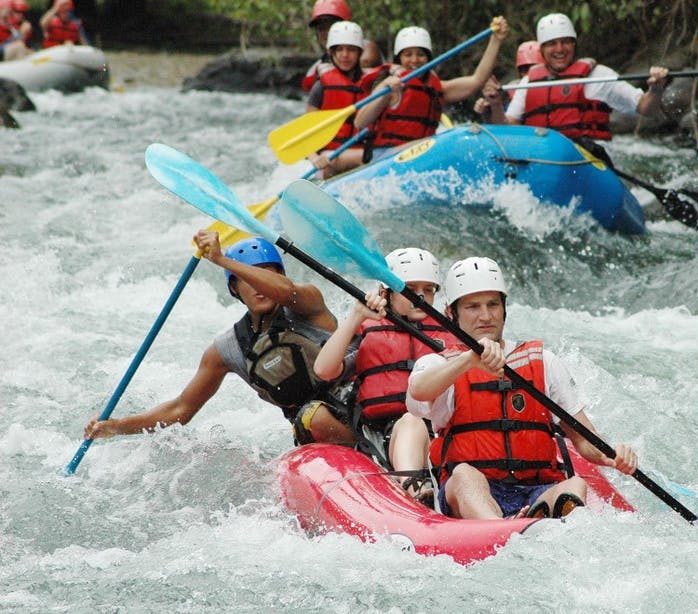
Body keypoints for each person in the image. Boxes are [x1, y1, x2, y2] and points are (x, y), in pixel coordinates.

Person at [406, 257, 638, 520]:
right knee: (464, 475)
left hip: (536, 489)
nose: (485, 315)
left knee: (575, 486)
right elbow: (419, 390)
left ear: (504, 308)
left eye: (493, 304)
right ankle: (500, 526)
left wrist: (612, 456)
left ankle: (537, 519)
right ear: (451, 313)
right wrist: (470, 360)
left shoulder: (543, 361)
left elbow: (583, 437)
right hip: (474, 491)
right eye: (472, 306)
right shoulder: (441, 363)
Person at [84, 231, 357, 448]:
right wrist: (116, 426)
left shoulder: (307, 305)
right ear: (233, 288)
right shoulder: (227, 349)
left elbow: (286, 291)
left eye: (265, 276)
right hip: (315, 424)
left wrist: (222, 260)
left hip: (361, 401)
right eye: (246, 279)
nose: (258, 286)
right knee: (313, 416)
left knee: (317, 415)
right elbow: (181, 409)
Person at [313, 248, 457, 502]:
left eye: (428, 289)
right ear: (384, 293)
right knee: (411, 422)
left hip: (443, 433)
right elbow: (323, 370)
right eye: (410, 289)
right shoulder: (368, 330)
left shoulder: (450, 333)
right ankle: (414, 488)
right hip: (387, 432)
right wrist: (356, 315)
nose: (420, 297)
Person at [486, 13, 668, 150]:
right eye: (552, 44)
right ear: (542, 50)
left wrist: (656, 90)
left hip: (586, 159)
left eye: (566, 42)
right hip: (542, 158)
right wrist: (495, 105)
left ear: (574, 44)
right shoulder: (530, 82)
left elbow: (646, 109)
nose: (560, 49)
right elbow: (508, 128)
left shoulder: (598, 76)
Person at [354, 16, 509, 160]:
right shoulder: (390, 85)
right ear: (399, 58)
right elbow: (360, 122)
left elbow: (477, 80)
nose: (414, 60)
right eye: (408, 54)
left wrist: (496, 40)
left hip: (421, 155)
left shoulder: (437, 88)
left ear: (428, 58)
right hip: (387, 157)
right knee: (438, 144)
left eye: (420, 54)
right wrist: (383, 91)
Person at [305, 21, 380, 179]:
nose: (345, 55)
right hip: (330, 159)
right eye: (339, 49)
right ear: (331, 52)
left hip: (365, 154)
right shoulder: (321, 87)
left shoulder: (374, 84)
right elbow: (307, 132)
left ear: (359, 53)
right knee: (336, 160)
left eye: (351, 50)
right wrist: (314, 158)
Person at [473, 40, 542, 121]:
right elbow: (502, 123)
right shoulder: (509, 91)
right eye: (524, 69)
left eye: (534, 68)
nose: (529, 74)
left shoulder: (555, 84)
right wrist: (488, 110)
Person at [301, 0, 352, 93]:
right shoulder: (313, 73)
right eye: (322, 28)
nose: (328, 33)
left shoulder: (367, 54)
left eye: (332, 26)